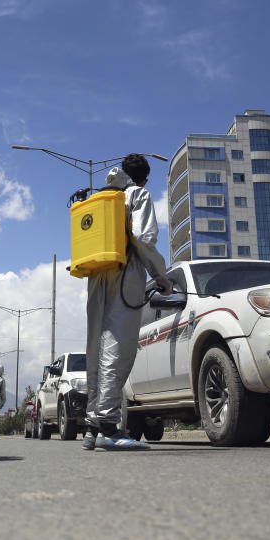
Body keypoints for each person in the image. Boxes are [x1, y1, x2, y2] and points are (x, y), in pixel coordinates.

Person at [83, 154, 170, 451]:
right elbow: (144, 239)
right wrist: (161, 276)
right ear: (144, 178)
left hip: (96, 277)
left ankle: (91, 427)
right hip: (125, 275)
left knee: (95, 348)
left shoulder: (103, 199)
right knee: (117, 350)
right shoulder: (138, 195)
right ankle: (108, 425)